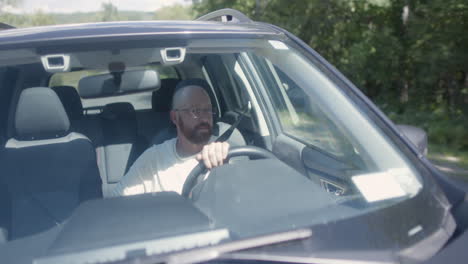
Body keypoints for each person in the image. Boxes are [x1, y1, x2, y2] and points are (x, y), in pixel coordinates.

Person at [109, 82, 229, 197]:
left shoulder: (224, 152)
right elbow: (117, 203)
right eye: (194, 110)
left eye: (207, 110)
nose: (204, 118)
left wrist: (226, 165)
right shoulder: (154, 159)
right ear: (175, 117)